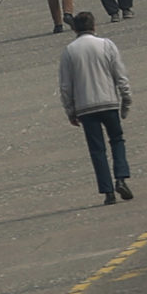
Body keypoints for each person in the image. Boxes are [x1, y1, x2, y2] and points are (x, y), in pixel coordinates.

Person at [57, 12, 135, 205]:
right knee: (117, 140)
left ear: (74, 28)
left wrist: (70, 111)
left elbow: (65, 86)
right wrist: (126, 101)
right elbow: (120, 75)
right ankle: (121, 178)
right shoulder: (106, 45)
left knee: (96, 149)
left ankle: (107, 192)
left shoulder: (69, 51)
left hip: (85, 107)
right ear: (94, 26)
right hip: (108, 102)